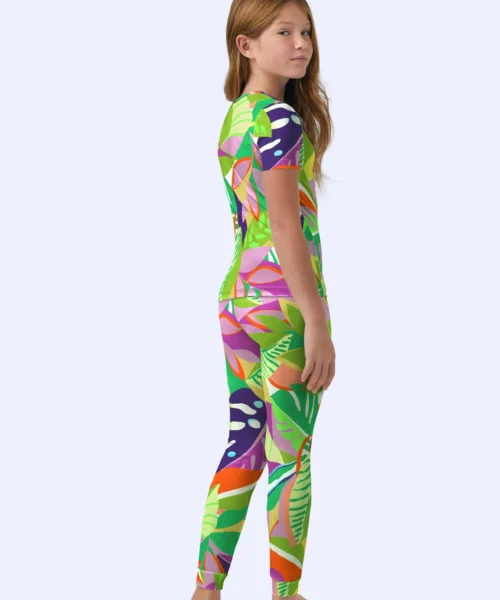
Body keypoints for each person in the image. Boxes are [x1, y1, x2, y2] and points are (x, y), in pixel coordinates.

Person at [191, 1, 335, 598]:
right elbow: (283, 226)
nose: (301, 43)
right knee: (290, 456)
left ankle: (206, 589)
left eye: (306, 32)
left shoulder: (236, 116)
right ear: (245, 45)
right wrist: (317, 321)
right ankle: (286, 595)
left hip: (238, 299)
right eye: (284, 32)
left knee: (243, 444)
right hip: (283, 307)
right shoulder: (279, 120)